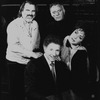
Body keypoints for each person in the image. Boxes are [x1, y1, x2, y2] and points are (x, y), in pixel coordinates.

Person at [6, 1, 42, 100]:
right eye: (27, 10)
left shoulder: (35, 23)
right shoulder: (13, 25)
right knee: (16, 92)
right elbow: (13, 46)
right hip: (15, 62)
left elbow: (37, 40)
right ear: (21, 11)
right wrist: (32, 54)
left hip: (29, 62)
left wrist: (36, 52)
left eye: (33, 11)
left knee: (30, 90)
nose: (30, 13)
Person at [24, 35, 70, 100]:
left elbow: (64, 88)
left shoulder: (61, 65)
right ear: (44, 48)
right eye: (51, 49)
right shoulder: (33, 65)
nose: (54, 54)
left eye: (57, 50)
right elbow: (29, 91)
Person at [61, 27, 90, 100]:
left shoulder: (81, 53)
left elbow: (78, 77)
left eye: (80, 37)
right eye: (75, 32)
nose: (75, 37)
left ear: (81, 42)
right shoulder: (66, 39)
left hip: (74, 86)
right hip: (63, 81)